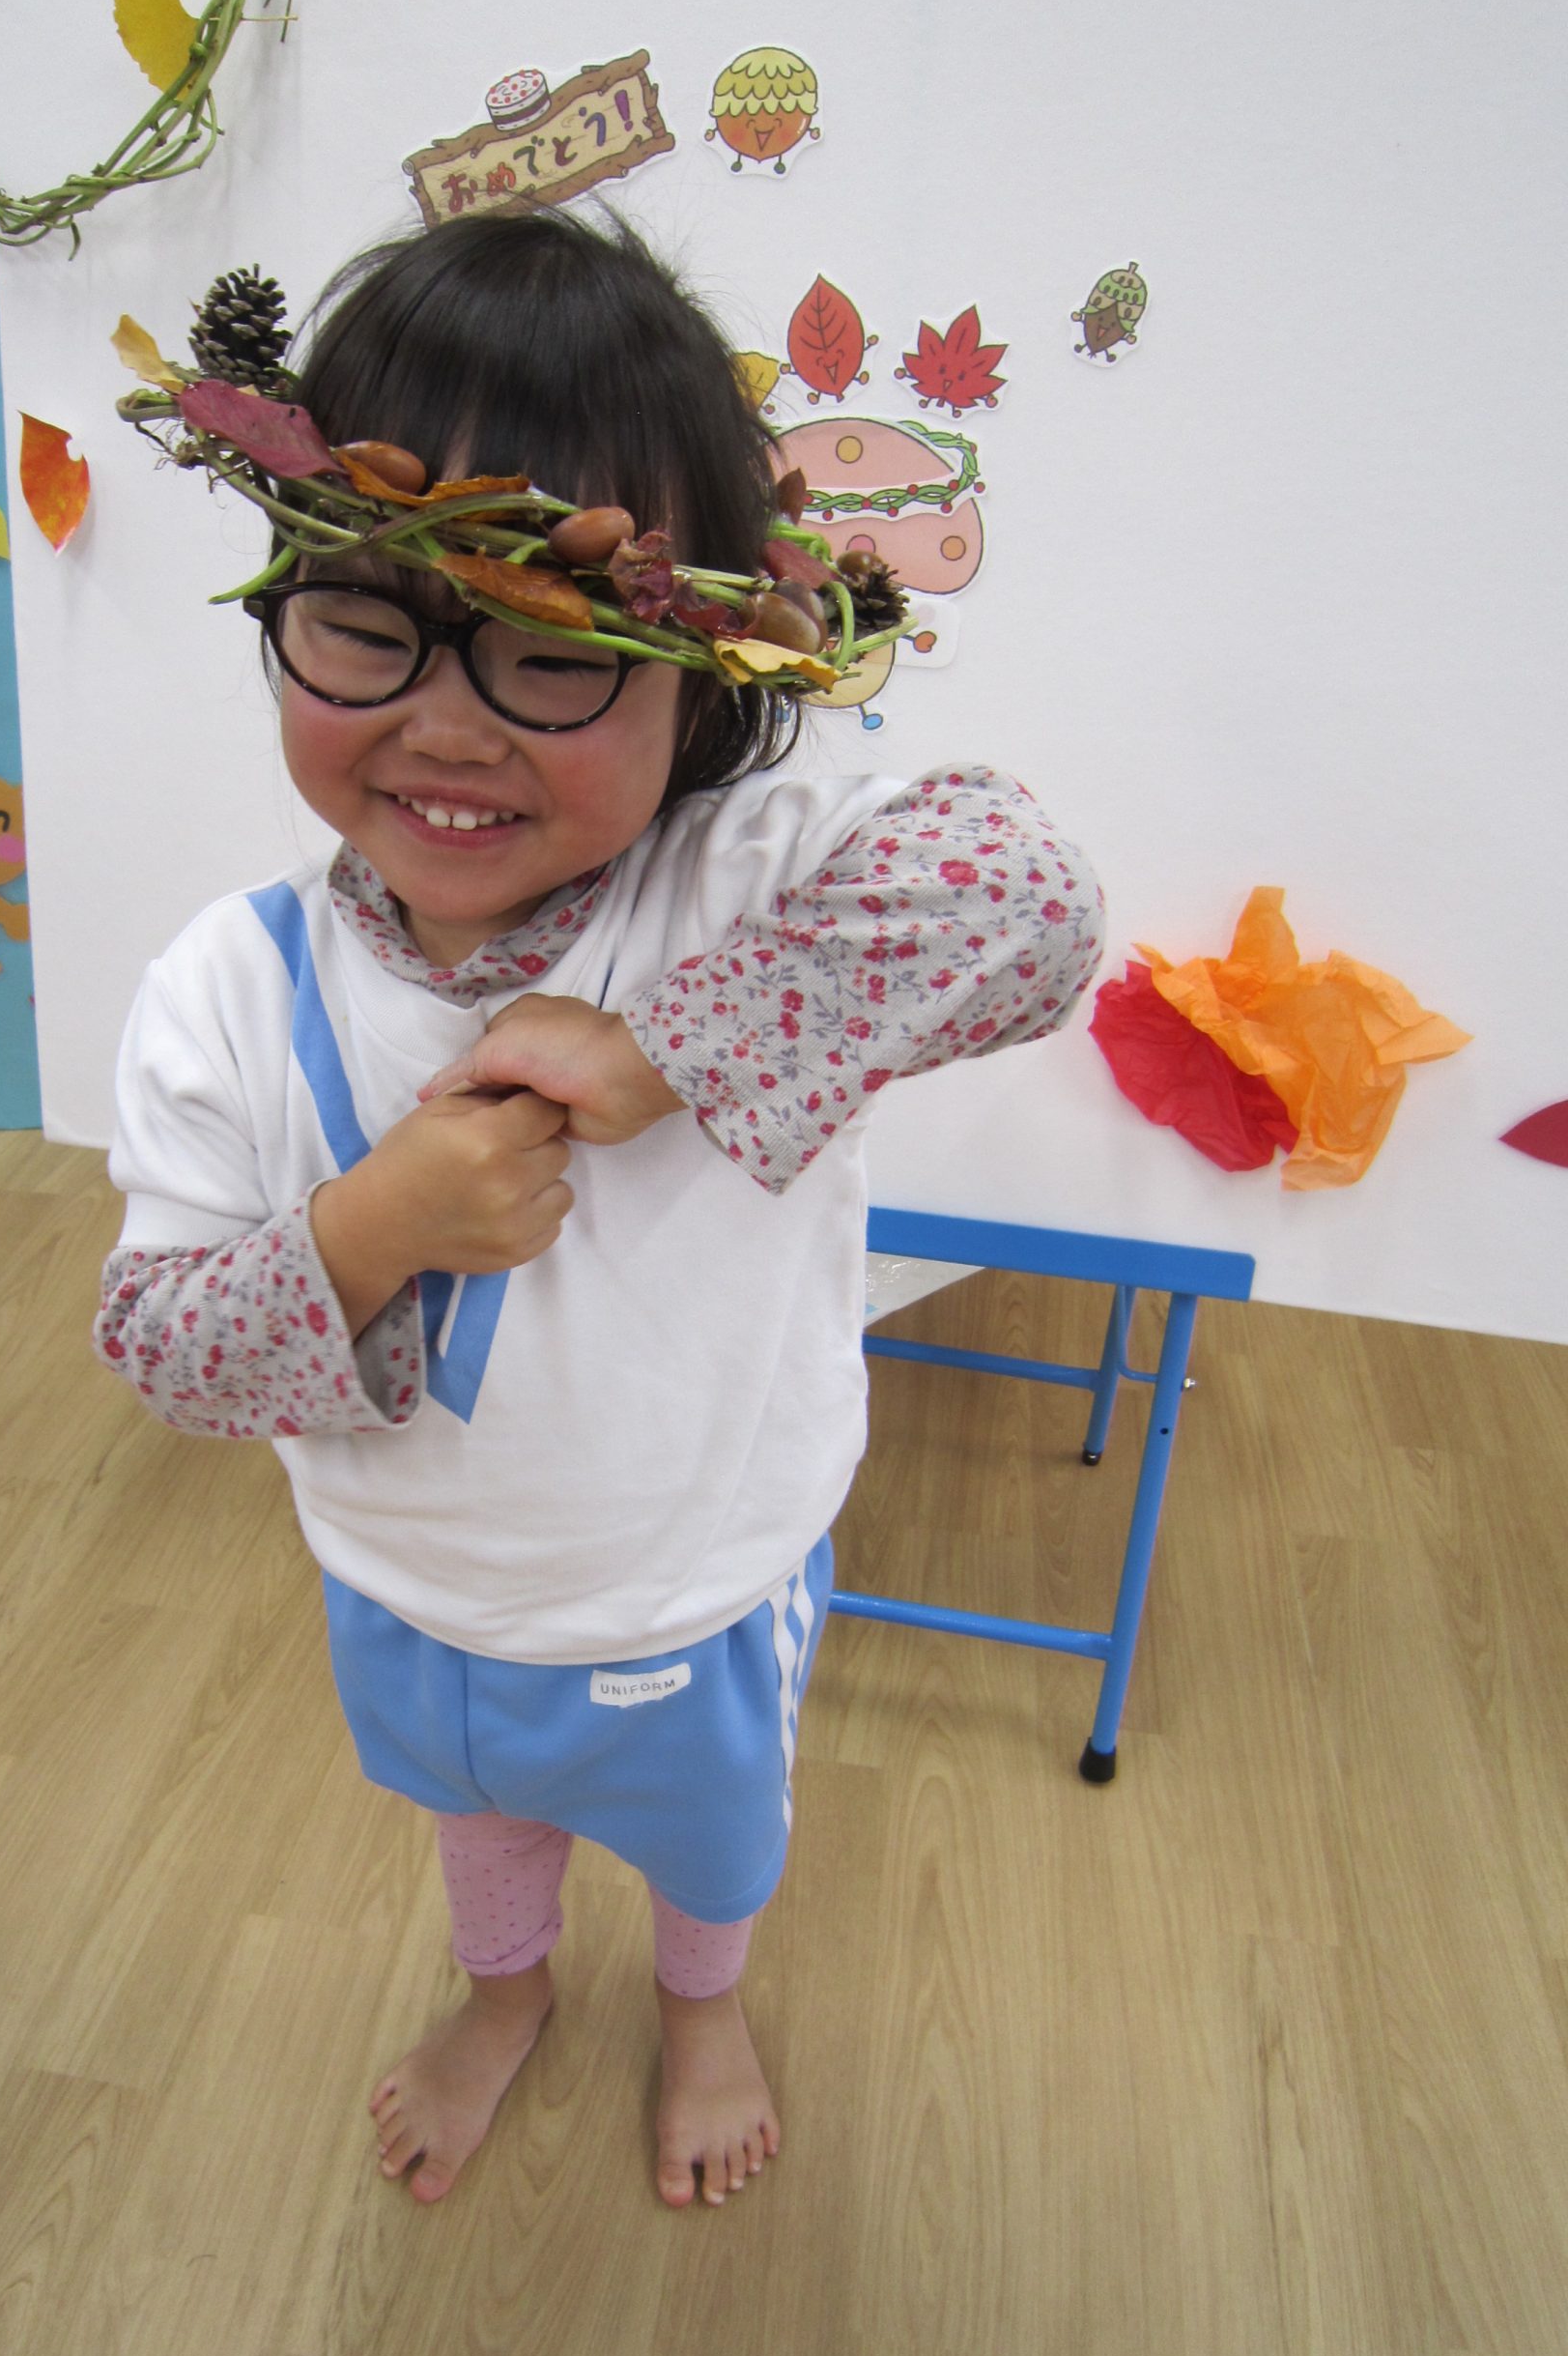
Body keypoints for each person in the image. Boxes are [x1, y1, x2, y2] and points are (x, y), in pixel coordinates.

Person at [94, 206, 1105, 2212]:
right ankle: (507, 1990)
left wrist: (675, 1047)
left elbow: (1035, 904)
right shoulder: (227, 983)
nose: (449, 724)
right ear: (280, 600)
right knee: (473, 1814)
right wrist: (369, 1225)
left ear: (699, 672)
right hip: (408, 1587)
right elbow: (160, 1347)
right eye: (366, 622)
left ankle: (704, 2005)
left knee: (713, 1846)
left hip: (693, 1584)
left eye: (555, 651)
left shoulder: (742, 885)